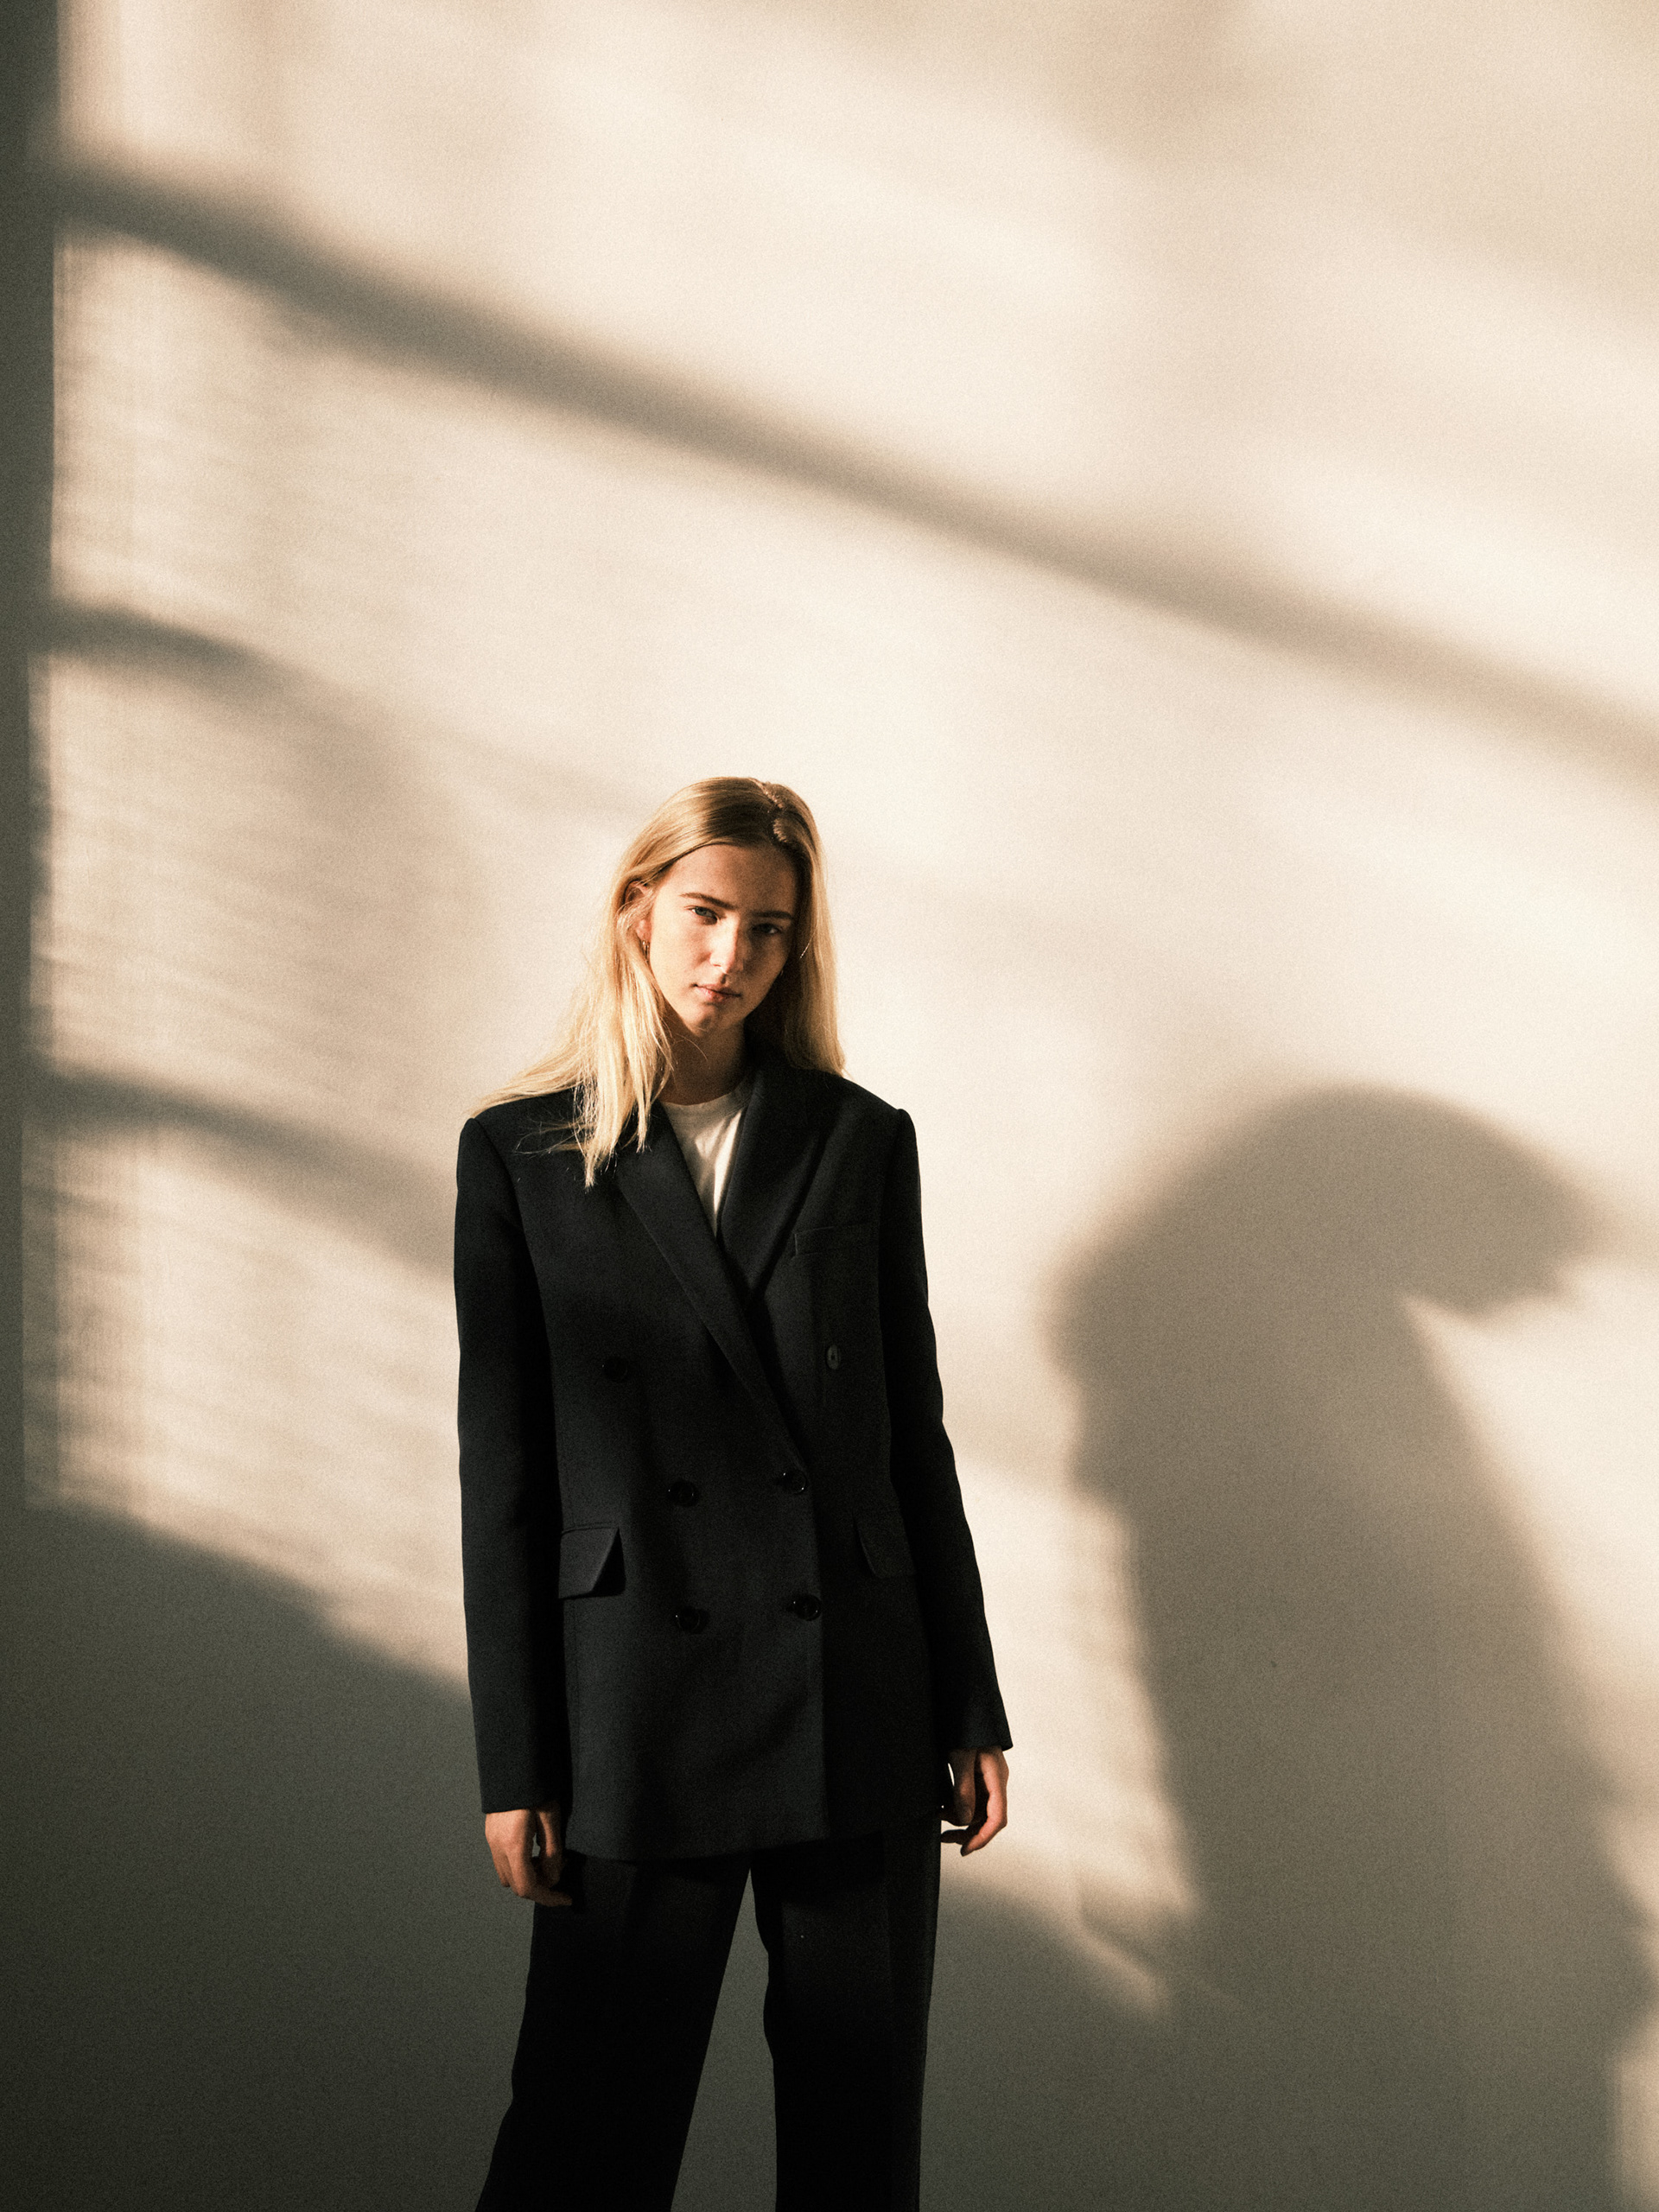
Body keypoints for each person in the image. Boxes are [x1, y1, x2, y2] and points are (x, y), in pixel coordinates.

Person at [454, 776, 1011, 2210]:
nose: (734, 956)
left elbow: (912, 1436)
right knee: (586, 2136)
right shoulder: (523, 1156)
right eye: (707, 913)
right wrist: (518, 1765)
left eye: (770, 930)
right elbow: (504, 1479)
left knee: (855, 2137)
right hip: (638, 1699)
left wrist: (969, 1703)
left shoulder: (858, 1138)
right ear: (638, 910)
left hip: (855, 1692)